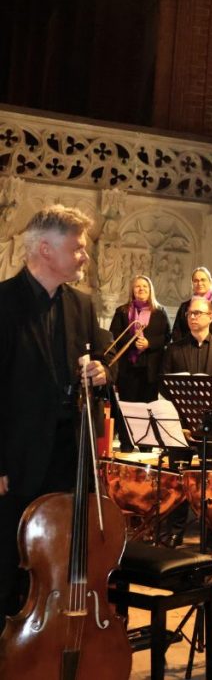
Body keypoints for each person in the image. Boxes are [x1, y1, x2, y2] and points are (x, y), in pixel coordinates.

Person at [0, 205, 112, 628]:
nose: (84, 256)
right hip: (17, 463)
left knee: (61, 564)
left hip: (69, 462)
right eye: (77, 248)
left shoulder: (82, 305)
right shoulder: (3, 303)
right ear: (45, 249)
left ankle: (50, 648)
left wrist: (102, 372)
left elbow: (100, 360)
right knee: (10, 568)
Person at [159, 295, 212, 546]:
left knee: (211, 480)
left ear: (211, 316)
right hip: (181, 424)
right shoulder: (174, 349)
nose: (193, 318)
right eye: (190, 314)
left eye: (198, 313)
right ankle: (175, 531)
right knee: (179, 477)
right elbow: (165, 382)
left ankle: (210, 532)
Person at [108, 274, 171, 451]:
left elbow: (167, 337)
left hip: (150, 368)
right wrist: (133, 339)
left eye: (145, 286)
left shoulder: (160, 312)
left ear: (150, 290)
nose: (141, 289)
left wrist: (149, 343)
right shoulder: (122, 311)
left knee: (147, 407)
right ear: (132, 291)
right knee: (127, 407)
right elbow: (113, 336)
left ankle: (146, 444)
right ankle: (126, 443)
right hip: (128, 367)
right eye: (137, 287)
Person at [172, 266, 212, 341]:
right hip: (187, 348)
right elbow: (177, 331)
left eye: (203, 280)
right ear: (192, 284)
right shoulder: (184, 306)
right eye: (196, 281)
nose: (199, 283)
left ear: (210, 282)